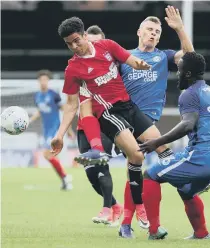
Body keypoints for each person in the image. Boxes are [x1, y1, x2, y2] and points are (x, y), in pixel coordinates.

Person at [75, 6, 194, 237]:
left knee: (142, 166)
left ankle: (129, 221)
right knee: (160, 157)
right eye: (149, 29)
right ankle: (178, 192)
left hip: (146, 121)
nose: (153, 34)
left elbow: (190, 59)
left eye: (157, 32)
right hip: (125, 119)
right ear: (139, 32)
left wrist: (180, 29)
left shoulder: (164, 56)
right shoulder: (123, 57)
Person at [51, 16, 169, 231]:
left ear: (85, 35)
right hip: (107, 113)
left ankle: (191, 181)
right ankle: (137, 206)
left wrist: (139, 64)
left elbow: (128, 58)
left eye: (77, 40)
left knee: (164, 149)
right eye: (69, 44)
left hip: (129, 107)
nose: (74, 47)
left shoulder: (107, 46)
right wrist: (59, 134)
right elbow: (70, 105)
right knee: (137, 155)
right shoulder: (73, 69)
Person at [139, 52, 210, 240]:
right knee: (186, 189)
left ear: (187, 74)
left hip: (202, 156)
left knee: (150, 174)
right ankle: (201, 233)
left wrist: (157, 142)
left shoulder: (189, 94)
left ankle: (153, 230)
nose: (177, 73)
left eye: (179, 69)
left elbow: (187, 124)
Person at [77, 25, 123, 226]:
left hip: (105, 121)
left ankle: (106, 209)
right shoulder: (78, 65)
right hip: (83, 124)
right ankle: (115, 205)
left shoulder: (113, 66)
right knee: (90, 172)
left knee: (101, 164)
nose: (94, 45)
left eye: (98, 42)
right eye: (91, 41)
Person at [30, 70, 74, 190]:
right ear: (38, 81)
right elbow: (40, 111)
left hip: (55, 129)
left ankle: (65, 177)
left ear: (48, 81)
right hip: (46, 130)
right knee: (52, 156)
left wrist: (68, 129)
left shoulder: (53, 94)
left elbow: (64, 110)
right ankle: (65, 181)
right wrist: (29, 121)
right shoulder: (37, 96)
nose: (43, 82)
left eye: (45, 79)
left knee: (47, 154)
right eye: (41, 80)